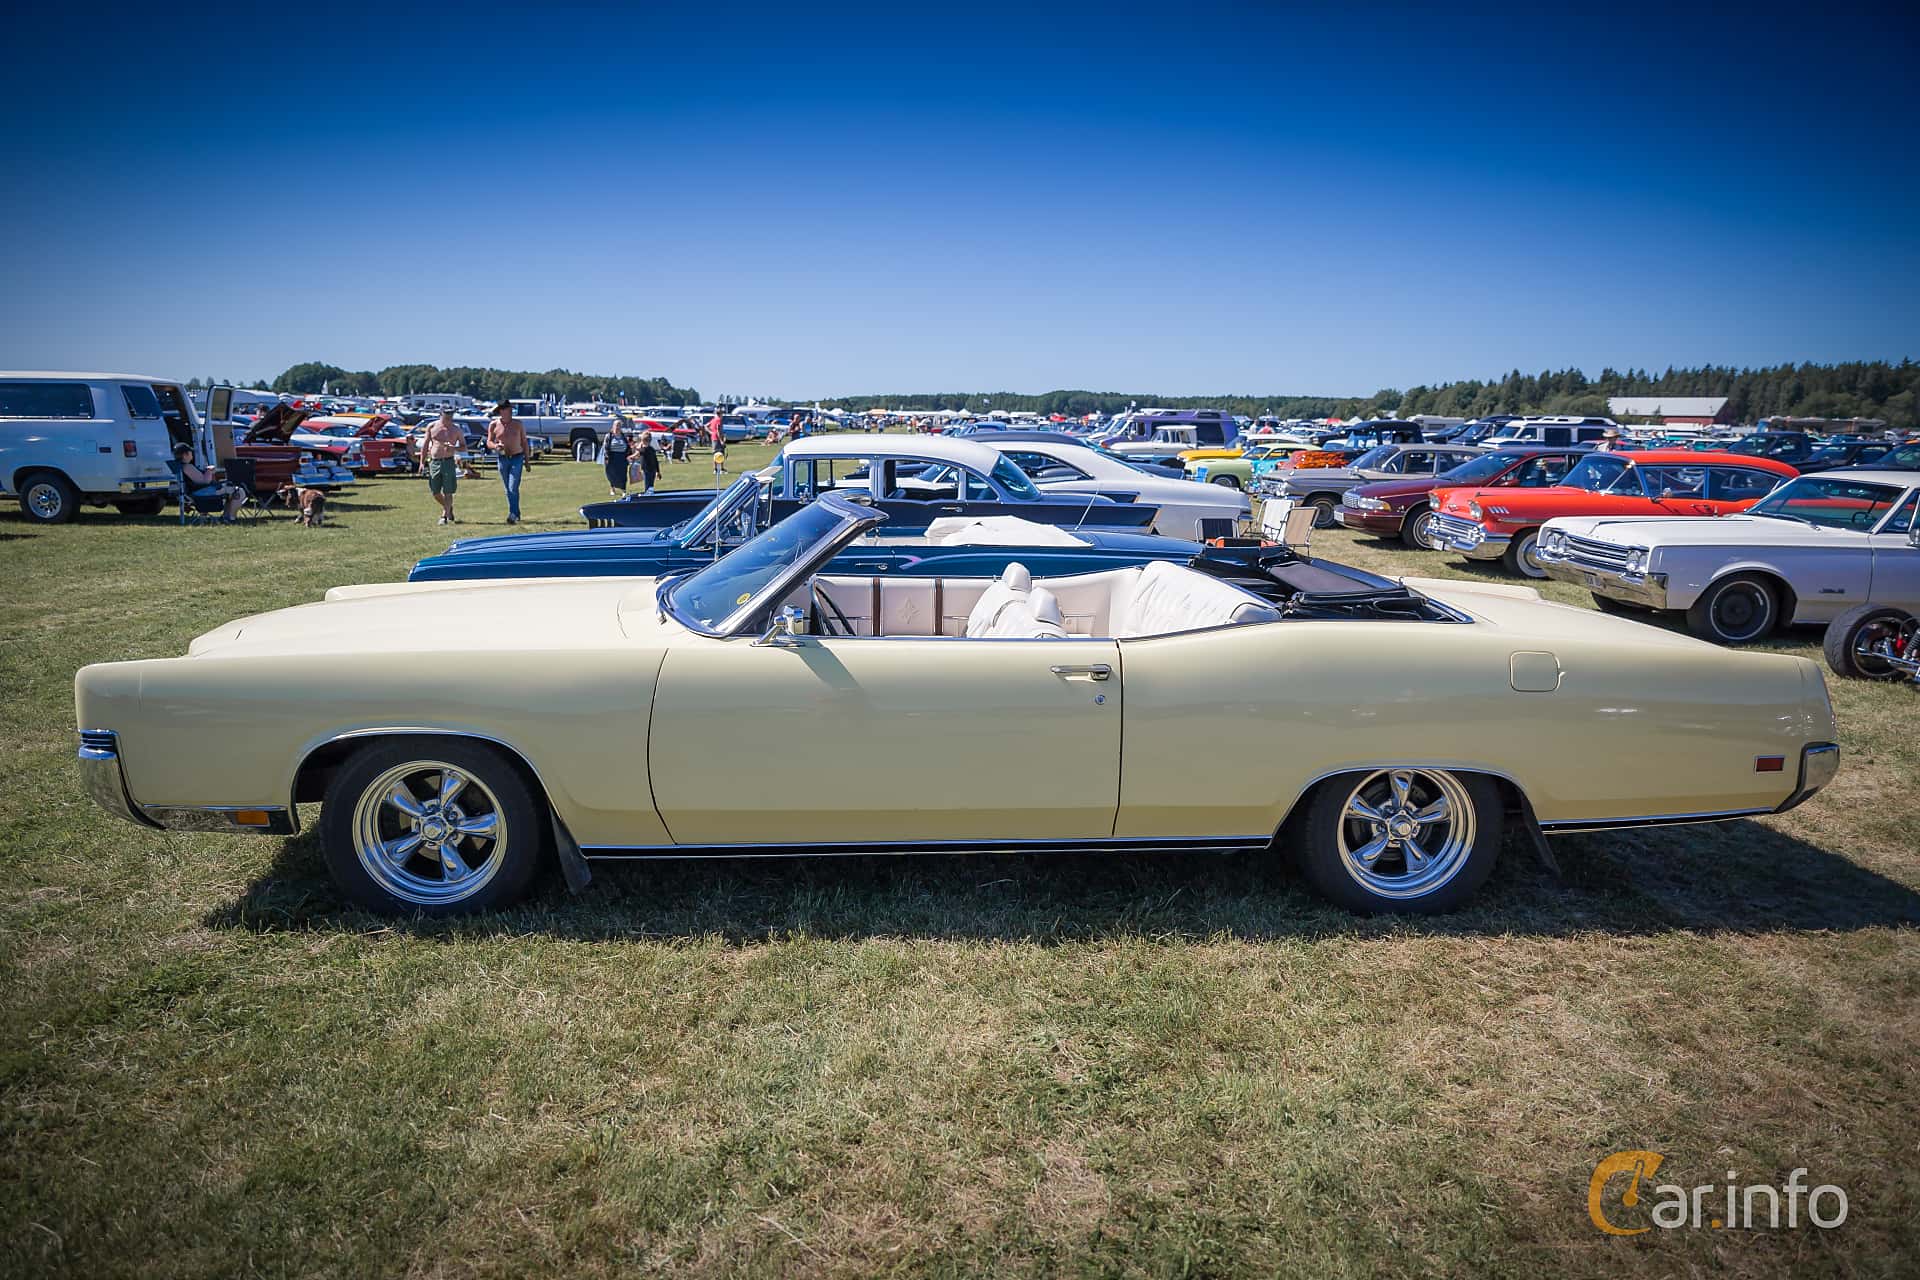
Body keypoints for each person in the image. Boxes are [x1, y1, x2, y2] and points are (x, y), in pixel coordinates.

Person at [172, 443, 247, 521]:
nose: (192, 453)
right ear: (185, 455)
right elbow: (205, 481)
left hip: (199, 491)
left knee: (231, 491)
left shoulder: (180, 466)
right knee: (239, 491)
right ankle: (230, 518)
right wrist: (209, 470)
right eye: (190, 451)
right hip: (202, 492)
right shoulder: (187, 467)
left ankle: (226, 517)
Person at [421, 409, 465, 524]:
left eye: (451, 417)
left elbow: (464, 447)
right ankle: (448, 507)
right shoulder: (432, 426)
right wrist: (422, 462)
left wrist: (453, 448)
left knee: (448, 491)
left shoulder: (456, 430)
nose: (449, 420)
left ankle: (444, 516)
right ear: (441, 415)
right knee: (435, 491)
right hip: (434, 462)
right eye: (446, 417)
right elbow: (425, 444)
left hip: (449, 462)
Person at [487, 401, 528, 524]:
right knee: (508, 489)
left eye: (510, 409)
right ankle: (516, 513)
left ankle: (513, 514)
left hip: (517, 457)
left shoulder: (518, 424)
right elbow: (488, 442)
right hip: (502, 458)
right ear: (501, 411)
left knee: (513, 487)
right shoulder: (494, 425)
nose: (510, 411)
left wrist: (527, 460)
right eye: (507, 409)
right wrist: (495, 446)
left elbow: (524, 442)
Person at [602, 418, 632, 496]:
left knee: (623, 474)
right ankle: (612, 489)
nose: (617, 427)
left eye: (619, 425)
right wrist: (606, 457)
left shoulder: (623, 436)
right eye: (616, 425)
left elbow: (628, 446)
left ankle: (623, 490)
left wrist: (629, 455)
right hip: (612, 457)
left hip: (622, 457)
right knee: (612, 474)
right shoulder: (609, 436)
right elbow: (605, 447)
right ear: (613, 426)